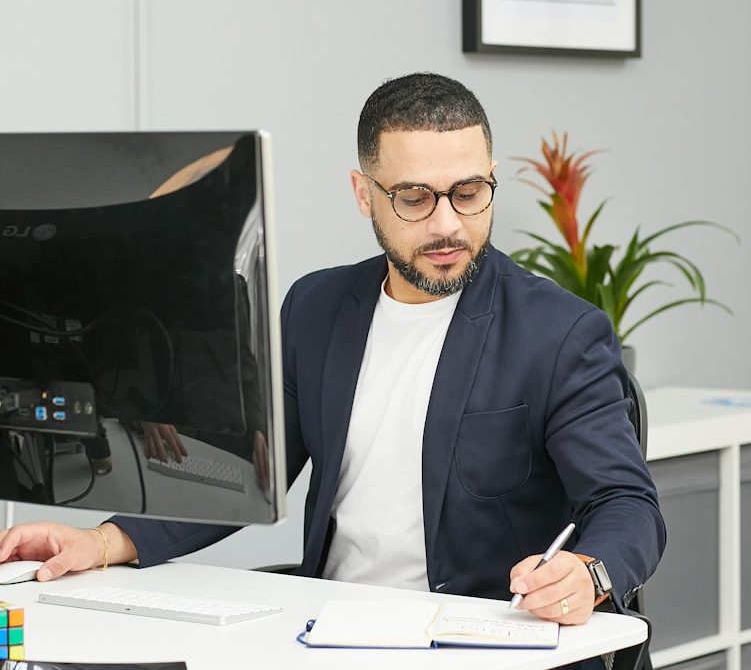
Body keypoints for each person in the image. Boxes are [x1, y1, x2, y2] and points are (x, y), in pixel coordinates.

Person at [0, 73, 665, 632]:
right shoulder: (316, 307)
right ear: (364, 194)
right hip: (328, 628)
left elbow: (627, 504)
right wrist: (103, 541)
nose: (447, 224)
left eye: (468, 194)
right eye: (414, 197)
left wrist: (589, 572)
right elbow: (249, 477)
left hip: (478, 636)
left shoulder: (559, 333)